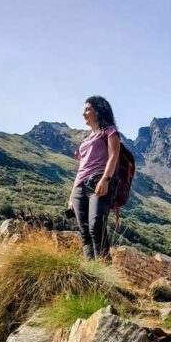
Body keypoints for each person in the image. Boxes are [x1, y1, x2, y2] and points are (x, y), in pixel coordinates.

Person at [68, 96, 121, 260]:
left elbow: (113, 157)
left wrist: (105, 179)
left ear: (97, 111)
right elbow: (81, 168)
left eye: (87, 109)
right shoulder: (85, 140)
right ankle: (92, 273)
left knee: (96, 227)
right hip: (79, 187)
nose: (83, 113)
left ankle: (106, 273)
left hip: (98, 182)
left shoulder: (109, 131)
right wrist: (71, 196)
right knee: (85, 233)